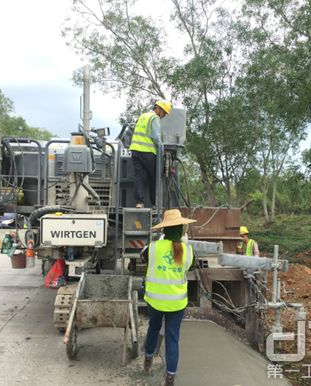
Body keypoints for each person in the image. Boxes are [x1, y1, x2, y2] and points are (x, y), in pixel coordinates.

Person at [140, 209, 196, 386]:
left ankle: (148, 359)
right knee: (172, 338)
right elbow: (192, 267)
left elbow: (143, 258)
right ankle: (170, 377)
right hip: (177, 303)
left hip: (154, 301)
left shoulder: (153, 247)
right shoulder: (188, 251)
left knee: (153, 328)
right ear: (181, 230)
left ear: (164, 230)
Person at [129, 100, 172, 209]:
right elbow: (155, 137)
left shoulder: (143, 116)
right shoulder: (154, 118)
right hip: (147, 152)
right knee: (153, 177)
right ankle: (155, 204)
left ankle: (139, 203)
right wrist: (161, 145)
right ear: (159, 109)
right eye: (164, 113)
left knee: (138, 177)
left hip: (135, 150)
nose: (164, 116)